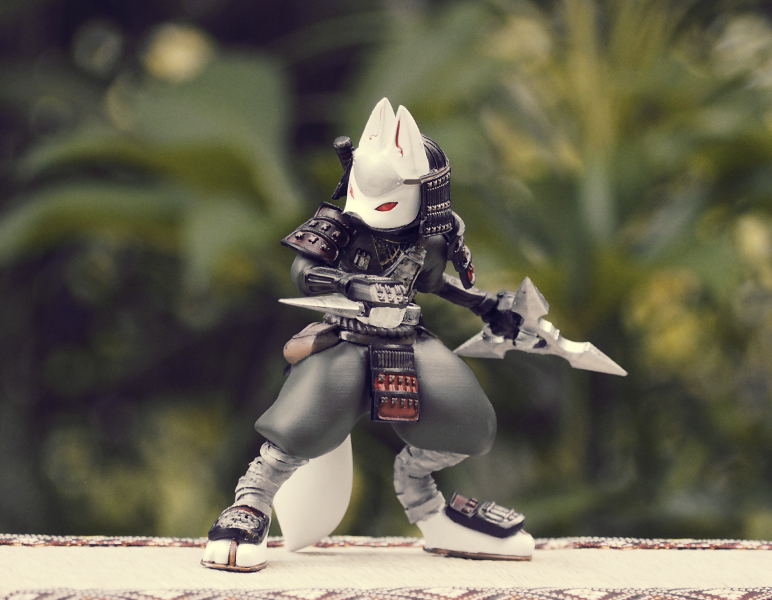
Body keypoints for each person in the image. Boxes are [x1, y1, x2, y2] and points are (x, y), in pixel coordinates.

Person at [201, 98, 534, 572]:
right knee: (300, 422)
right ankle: (251, 502)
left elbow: (436, 284)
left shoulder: (429, 239)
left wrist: (485, 304)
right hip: (346, 339)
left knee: (469, 422)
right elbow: (303, 272)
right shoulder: (338, 226)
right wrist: (349, 283)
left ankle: (424, 502)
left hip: (407, 339)